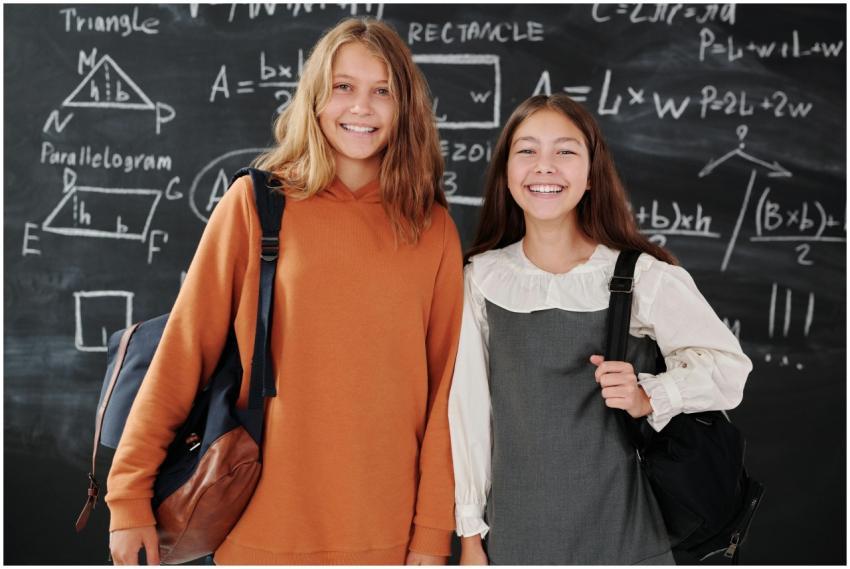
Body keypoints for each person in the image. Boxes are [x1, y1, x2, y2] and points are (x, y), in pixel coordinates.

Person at [107, 18, 463, 565]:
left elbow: (446, 397)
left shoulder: (431, 227)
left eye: (382, 91)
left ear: (405, 107)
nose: (361, 108)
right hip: (259, 529)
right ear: (316, 99)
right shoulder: (256, 205)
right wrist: (128, 495)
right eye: (343, 87)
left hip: (388, 535)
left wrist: (432, 534)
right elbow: (184, 352)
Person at [448, 94, 752, 565]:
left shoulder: (640, 277)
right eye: (526, 151)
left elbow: (730, 368)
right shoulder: (481, 280)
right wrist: (470, 536)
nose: (544, 167)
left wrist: (650, 395)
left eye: (565, 151)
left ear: (591, 175)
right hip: (518, 531)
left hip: (627, 529)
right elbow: (468, 413)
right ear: (506, 172)